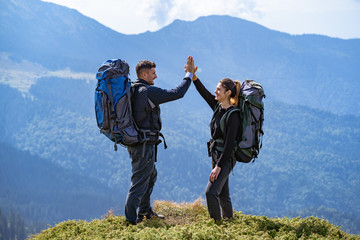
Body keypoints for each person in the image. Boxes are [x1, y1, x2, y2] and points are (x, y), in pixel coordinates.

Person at [124, 56, 195, 225]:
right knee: (139, 182)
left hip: (138, 143)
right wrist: (189, 75)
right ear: (143, 74)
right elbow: (177, 93)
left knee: (150, 176)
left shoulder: (134, 90)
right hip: (143, 145)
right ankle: (130, 221)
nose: (155, 76)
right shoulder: (148, 91)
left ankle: (144, 211)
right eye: (153, 73)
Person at [186, 60, 241, 221]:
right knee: (223, 193)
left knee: (210, 192)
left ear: (228, 93)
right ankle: (229, 223)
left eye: (219, 89)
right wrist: (193, 75)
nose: (215, 91)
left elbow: (230, 145)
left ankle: (216, 228)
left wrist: (218, 166)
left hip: (225, 157)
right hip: (215, 154)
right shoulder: (218, 107)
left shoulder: (234, 115)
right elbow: (203, 92)